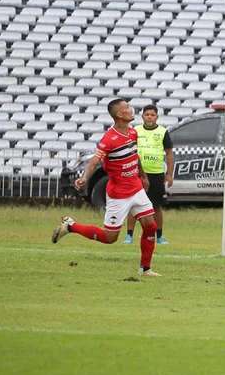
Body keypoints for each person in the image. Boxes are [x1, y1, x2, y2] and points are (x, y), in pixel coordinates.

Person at [51, 98, 161, 277]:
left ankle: (145, 269)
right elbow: (95, 161)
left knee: (150, 225)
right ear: (119, 114)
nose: (131, 110)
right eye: (127, 108)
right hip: (119, 194)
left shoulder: (133, 133)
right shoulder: (109, 139)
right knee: (110, 238)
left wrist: (143, 176)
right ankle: (71, 226)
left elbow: (135, 155)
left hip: (136, 188)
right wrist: (85, 177)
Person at [123, 105, 174, 246]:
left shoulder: (163, 132)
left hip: (156, 173)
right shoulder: (135, 131)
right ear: (142, 117)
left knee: (156, 206)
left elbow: (169, 154)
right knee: (133, 204)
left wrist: (169, 175)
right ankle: (129, 235)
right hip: (137, 173)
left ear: (157, 117)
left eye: (152, 114)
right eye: (147, 114)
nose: (150, 117)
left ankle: (160, 236)